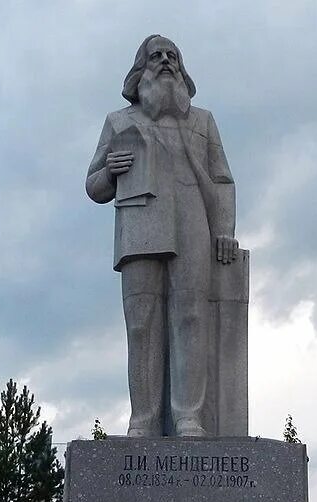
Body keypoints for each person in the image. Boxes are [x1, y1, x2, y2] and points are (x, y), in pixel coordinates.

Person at [86, 35, 238, 437]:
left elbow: (222, 180)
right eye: (157, 56)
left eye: (173, 56)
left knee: (191, 316)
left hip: (191, 221)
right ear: (141, 67)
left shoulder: (202, 121)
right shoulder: (120, 121)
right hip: (139, 223)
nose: (166, 61)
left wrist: (224, 229)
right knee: (142, 323)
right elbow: (94, 187)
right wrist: (111, 171)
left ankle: (189, 415)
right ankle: (144, 419)